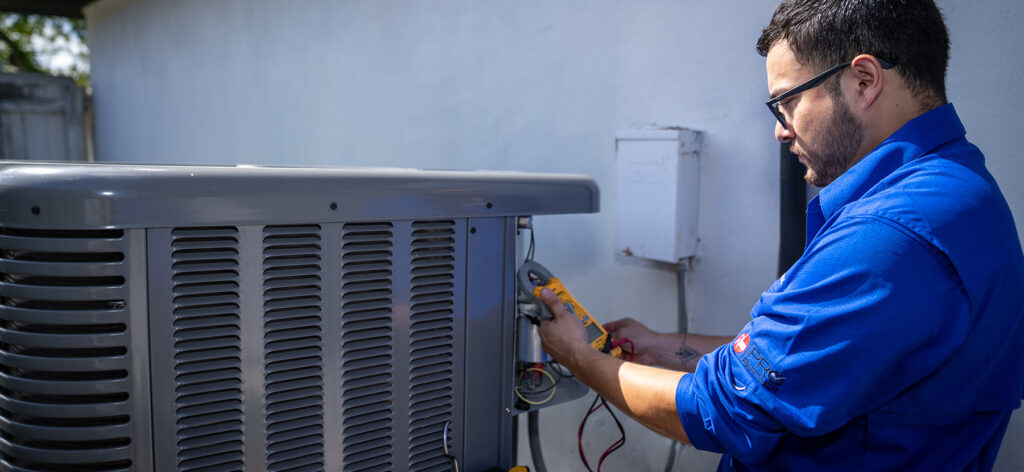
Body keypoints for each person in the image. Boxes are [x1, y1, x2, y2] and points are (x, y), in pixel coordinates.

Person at [537, 0, 1024, 470]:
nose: (781, 131)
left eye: (787, 101)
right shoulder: (957, 191)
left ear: (864, 80)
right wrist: (664, 346)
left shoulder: (888, 235)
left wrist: (578, 356)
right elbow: (805, 358)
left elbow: (722, 410)